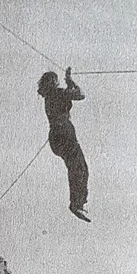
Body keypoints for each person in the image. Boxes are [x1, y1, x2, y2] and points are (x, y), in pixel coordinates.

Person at [37, 67, 90, 221]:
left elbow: (70, 95)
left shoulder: (50, 96)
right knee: (80, 168)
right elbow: (80, 95)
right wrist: (70, 81)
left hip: (56, 137)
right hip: (64, 134)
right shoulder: (57, 93)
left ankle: (77, 203)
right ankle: (77, 203)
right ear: (53, 82)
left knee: (75, 168)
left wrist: (68, 83)